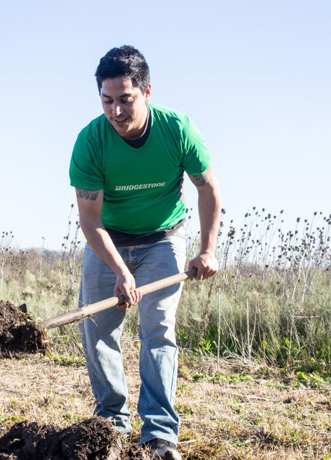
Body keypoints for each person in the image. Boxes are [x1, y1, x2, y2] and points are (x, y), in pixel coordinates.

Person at [69, 45, 220, 460]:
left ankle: (158, 434)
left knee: (158, 330)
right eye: (107, 101)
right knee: (98, 330)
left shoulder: (177, 130)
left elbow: (207, 189)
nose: (116, 111)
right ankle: (111, 425)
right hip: (109, 239)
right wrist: (119, 270)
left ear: (147, 91)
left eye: (125, 100)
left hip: (162, 238)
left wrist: (207, 249)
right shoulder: (90, 142)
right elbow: (90, 220)